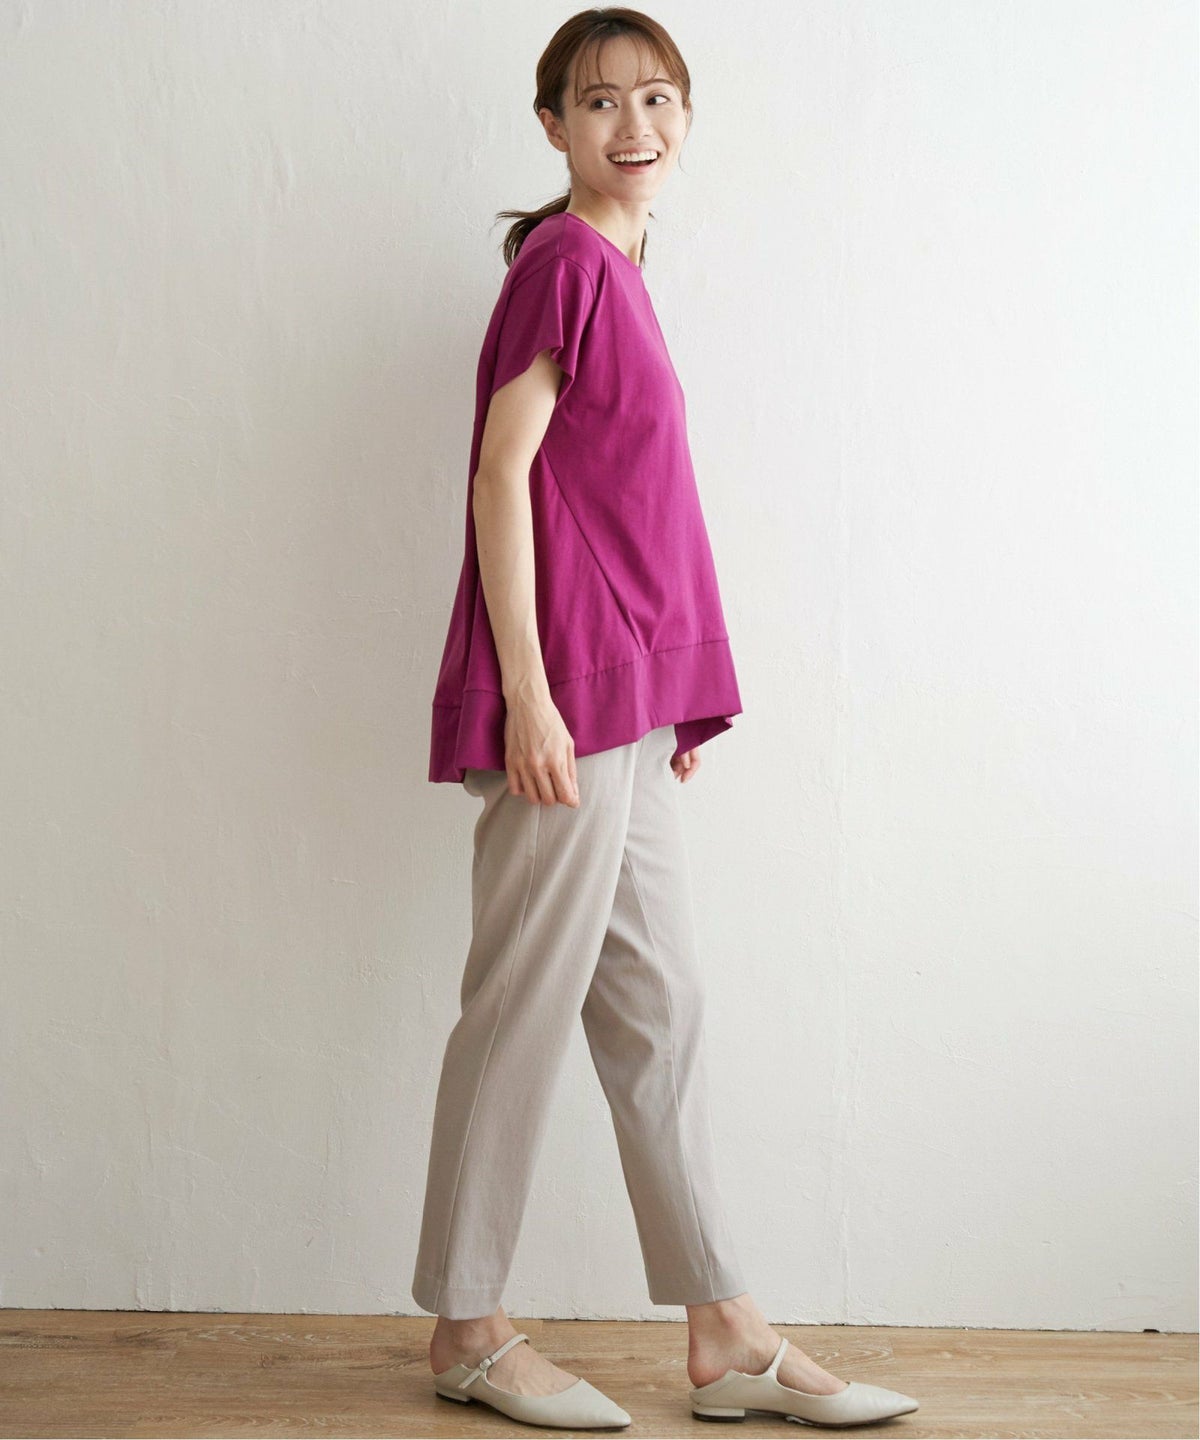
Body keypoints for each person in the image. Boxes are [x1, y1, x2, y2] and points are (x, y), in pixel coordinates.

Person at [412, 9, 919, 1430]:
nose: (631, 125)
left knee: (662, 1009)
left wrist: (676, 686)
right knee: (522, 1003)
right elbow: (500, 478)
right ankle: (467, 1325)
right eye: (597, 102)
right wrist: (529, 693)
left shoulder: (627, 271)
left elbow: (631, 507)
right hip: (565, 698)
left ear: (685, 117)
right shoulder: (564, 266)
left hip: (626, 698)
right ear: (553, 126)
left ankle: (724, 1332)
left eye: (655, 98)